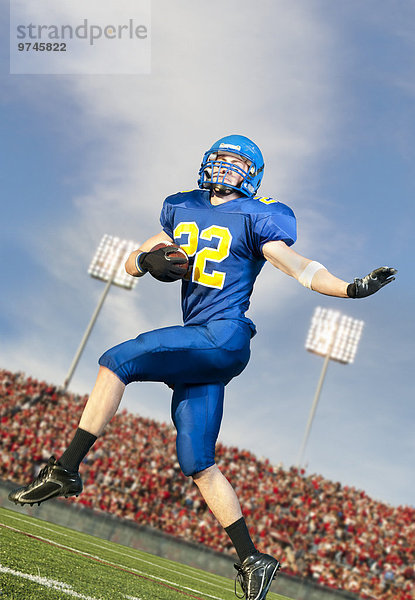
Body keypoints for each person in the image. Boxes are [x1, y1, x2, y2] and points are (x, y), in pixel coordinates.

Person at [9, 135, 397, 600]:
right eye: (220, 159)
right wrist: (149, 260)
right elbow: (132, 262)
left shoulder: (257, 215)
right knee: (198, 463)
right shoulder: (181, 206)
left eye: (235, 164)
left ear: (251, 175)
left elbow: (299, 268)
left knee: (117, 360)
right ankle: (253, 557)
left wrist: (350, 289)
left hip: (223, 335)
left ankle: (66, 467)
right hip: (201, 345)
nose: (224, 169)